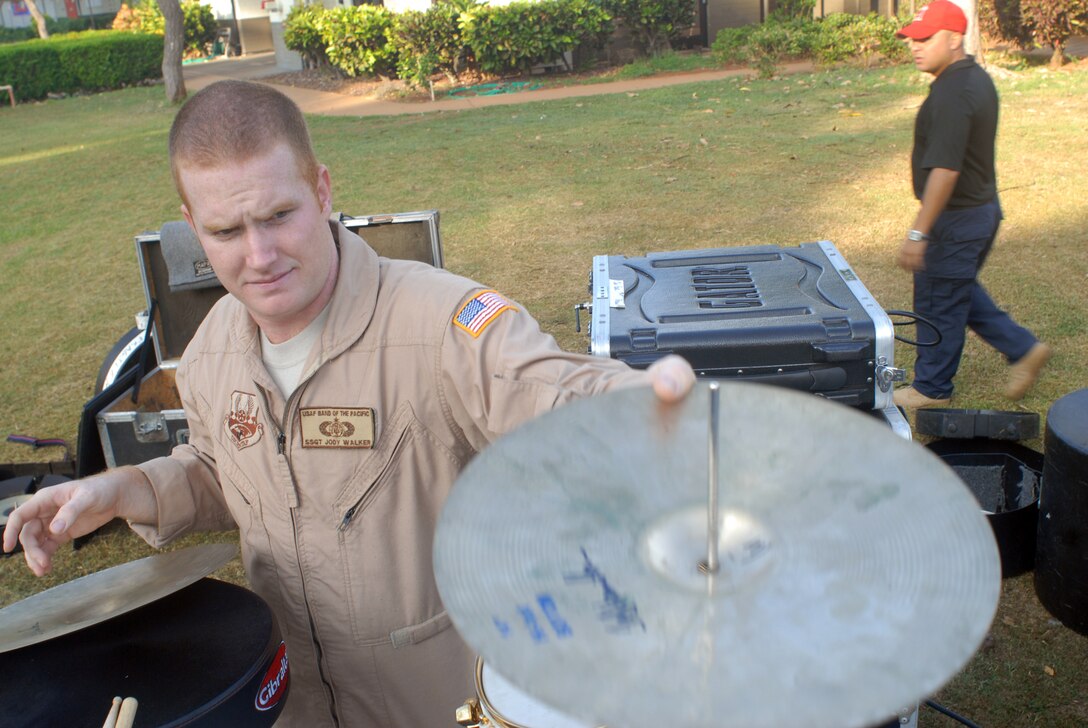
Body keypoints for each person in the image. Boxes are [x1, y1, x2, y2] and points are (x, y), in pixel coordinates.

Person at [2, 80, 695, 727]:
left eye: (279, 215)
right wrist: (127, 487)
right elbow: (221, 468)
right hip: (295, 700)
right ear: (190, 225)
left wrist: (644, 405)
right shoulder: (213, 345)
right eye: (225, 232)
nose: (261, 255)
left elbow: (547, 388)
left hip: (438, 698)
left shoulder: (439, 321)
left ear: (322, 188)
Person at [892, 0, 1050, 410]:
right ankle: (1024, 348)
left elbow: (945, 170)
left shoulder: (953, 91)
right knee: (954, 288)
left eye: (926, 38)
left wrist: (918, 231)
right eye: (913, 38)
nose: (915, 46)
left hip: (957, 216)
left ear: (954, 37)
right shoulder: (972, 78)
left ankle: (931, 389)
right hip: (979, 210)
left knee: (939, 300)